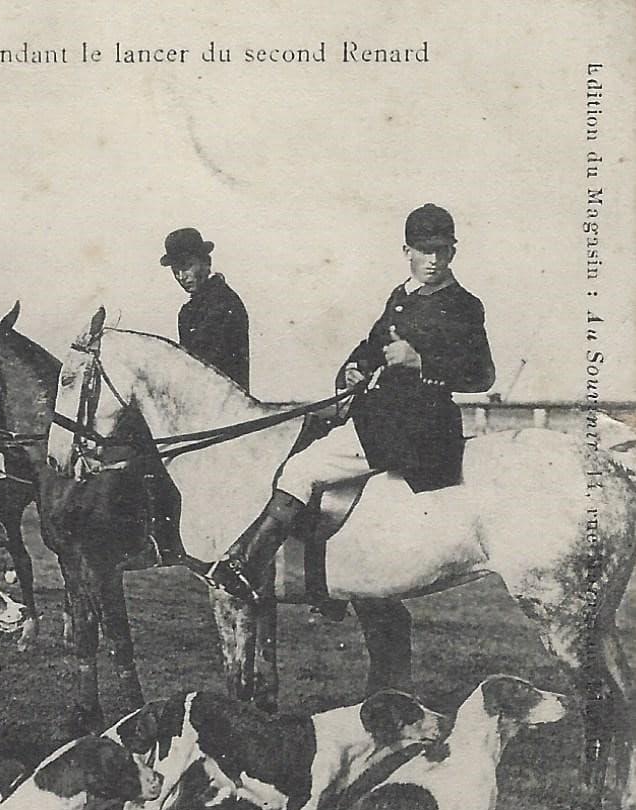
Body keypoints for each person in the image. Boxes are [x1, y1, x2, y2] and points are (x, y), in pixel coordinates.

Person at [206, 203, 496, 603]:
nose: (433, 259)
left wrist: (422, 362)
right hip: (383, 418)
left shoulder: (463, 304)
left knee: (301, 469)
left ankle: (247, 566)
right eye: (424, 250)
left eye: (441, 250)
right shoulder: (401, 296)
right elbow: (371, 347)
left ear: (453, 252)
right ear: (407, 251)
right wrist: (354, 370)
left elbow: (481, 375)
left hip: (419, 427)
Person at [161, 227, 250, 391]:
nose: (181, 277)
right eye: (175, 271)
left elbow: (200, 365)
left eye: (186, 266)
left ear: (206, 263)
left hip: (225, 401)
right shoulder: (188, 311)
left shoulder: (224, 303)